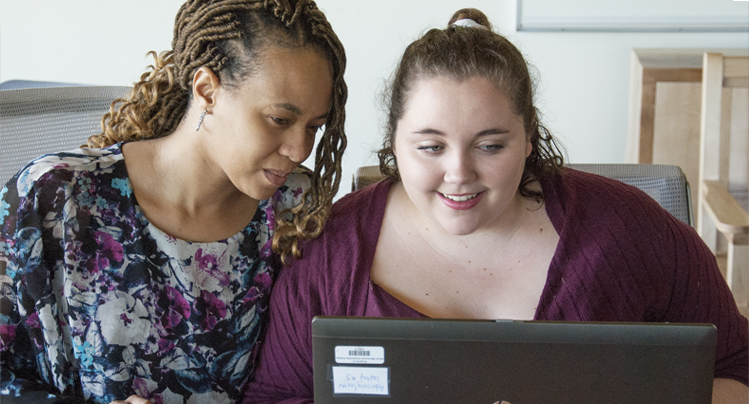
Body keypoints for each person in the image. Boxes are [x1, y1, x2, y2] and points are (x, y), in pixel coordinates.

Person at [243, 8, 748, 404]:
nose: (459, 173)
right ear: (394, 143)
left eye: (491, 145)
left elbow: (738, 370)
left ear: (529, 138)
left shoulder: (628, 229)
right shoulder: (329, 256)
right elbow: (275, 397)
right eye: (431, 146)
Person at [0, 0, 347, 403]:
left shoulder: (295, 207)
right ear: (206, 91)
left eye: (314, 127)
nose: (300, 149)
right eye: (280, 119)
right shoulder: (56, 197)